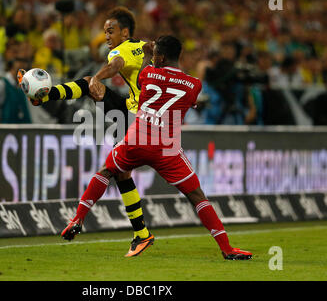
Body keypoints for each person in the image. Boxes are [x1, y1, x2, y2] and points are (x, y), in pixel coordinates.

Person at [61, 35, 252, 260]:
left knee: (107, 171)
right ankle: (227, 248)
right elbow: (188, 102)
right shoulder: (194, 85)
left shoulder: (148, 73)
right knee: (197, 196)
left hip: (136, 140)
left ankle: (78, 218)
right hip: (167, 148)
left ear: (159, 57)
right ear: (178, 55)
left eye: (154, 55)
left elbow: (142, 81)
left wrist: (146, 54)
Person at [18, 6, 152, 250]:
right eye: (104, 32)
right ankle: (141, 234)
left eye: (110, 31)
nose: (106, 37)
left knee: (110, 169)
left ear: (124, 32)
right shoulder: (141, 46)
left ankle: (79, 219)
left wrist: (99, 78)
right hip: (135, 111)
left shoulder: (123, 50)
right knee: (122, 173)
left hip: (138, 118)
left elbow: (116, 64)